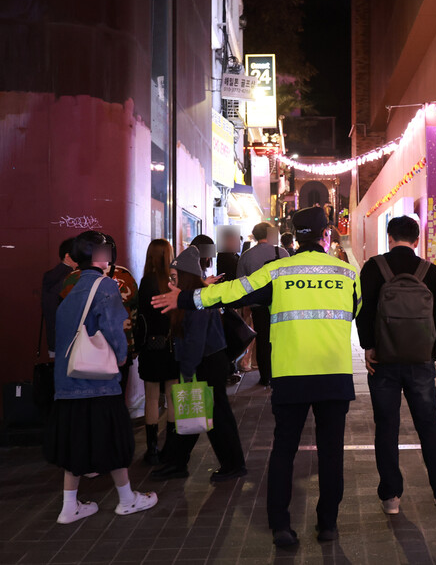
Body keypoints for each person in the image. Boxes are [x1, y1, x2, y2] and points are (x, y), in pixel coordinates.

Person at [152, 207, 361, 546]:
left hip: (291, 376)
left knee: (283, 451)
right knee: (331, 453)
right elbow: (356, 312)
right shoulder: (348, 273)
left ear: (294, 236)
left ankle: (280, 525)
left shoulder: (277, 271)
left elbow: (233, 292)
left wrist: (188, 297)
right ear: (326, 235)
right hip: (333, 376)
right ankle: (328, 525)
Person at [44, 231, 158, 524]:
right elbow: (113, 327)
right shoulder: (105, 285)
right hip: (98, 382)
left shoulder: (68, 287)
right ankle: (127, 499)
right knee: (114, 440)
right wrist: (122, 355)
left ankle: (70, 507)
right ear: (100, 256)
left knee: (75, 443)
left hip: (68, 382)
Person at [356, 215, 436, 516]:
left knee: (386, 427)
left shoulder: (374, 267)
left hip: (383, 361)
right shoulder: (430, 271)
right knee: (428, 425)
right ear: (416, 240)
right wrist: (433, 353)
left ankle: (391, 496)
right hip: (420, 362)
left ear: (389, 237)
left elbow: (363, 312)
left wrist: (368, 348)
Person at [149, 246, 247, 483]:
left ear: (185, 277)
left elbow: (195, 340)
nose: (171, 282)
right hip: (205, 361)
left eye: (175, 277)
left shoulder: (197, 300)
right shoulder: (193, 296)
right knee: (193, 411)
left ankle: (232, 465)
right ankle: (177, 462)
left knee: (214, 416)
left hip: (207, 362)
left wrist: (187, 371)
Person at [60, 234, 138, 395]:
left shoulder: (72, 278)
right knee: (116, 396)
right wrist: (129, 348)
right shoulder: (124, 276)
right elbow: (135, 311)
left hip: (81, 349)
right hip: (118, 347)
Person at [136, 239, 179, 465]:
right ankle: (171, 447)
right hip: (171, 345)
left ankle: (152, 449)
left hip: (151, 346)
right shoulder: (172, 282)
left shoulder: (146, 282)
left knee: (152, 397)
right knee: (172, 396)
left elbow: (142, 316)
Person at [237, 222, 290, 386]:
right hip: (280, 304)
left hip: (258, 305)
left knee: (263, 341)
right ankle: (281, 373)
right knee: (281, 339)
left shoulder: (246, 255)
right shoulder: (281, 252)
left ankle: (265, 376)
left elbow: (240, 283)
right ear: (270, 233)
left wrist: (245, 305)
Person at [42, 238, 77, 357]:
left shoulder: (51, 275)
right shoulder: (71, 278)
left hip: (55, 340)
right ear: (68, 256)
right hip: (70, 342)